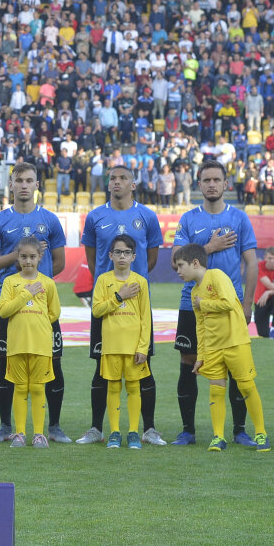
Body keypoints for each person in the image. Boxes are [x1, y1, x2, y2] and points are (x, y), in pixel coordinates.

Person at [170, 161, 258, 447]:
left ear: (225, 184)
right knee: (188, 362)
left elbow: (251, 262)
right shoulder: (187, 219)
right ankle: (187, 430)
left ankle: (240, 431)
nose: (211, 184)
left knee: (234, 365)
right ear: (198, 184)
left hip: (228, 307)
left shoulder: (240, 218)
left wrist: (247, 304)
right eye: (206, 179)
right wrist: (208, 248)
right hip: (192, 304)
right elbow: (175, 260)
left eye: (216, 179)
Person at [79, 164, 166, 446]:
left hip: (136, 305)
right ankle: (97, 428)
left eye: (123, 178)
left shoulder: (147, 216)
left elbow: (151, 259)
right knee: (100, 367)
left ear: (133, 184)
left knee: (143, 364)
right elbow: (94, 261)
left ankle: (148, 428)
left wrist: (132, 285)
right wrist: (112, 287)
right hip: (106, 304)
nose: (117, 182)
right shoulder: (95, 216)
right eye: (113, 178)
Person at [0, 163, 69, 444]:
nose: (23, 185)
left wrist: (39, 285)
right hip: (10, 302)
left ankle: (53, 426)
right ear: (11, 185)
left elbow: (59, 262)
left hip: (40, 308)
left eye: (29, 180)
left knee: (53, 363)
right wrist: (19, 255)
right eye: (18, 180)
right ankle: (6, 426)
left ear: (36, 186)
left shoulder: (51, 220)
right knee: (4, 364)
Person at [173, 243, 270, 452]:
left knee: (246, 387)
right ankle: (218, 437)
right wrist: (201, 355)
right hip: (214, 348)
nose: (178, 271)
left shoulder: (216, 276)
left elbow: (229, 303)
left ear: (195, 263)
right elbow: (200, 326)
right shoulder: (194, 292)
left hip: (235, 342)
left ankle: (261, 434)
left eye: (180, 265)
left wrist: (204, 304)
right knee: (216, 390)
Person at [0, 237, 61, 449]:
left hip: (40, 345)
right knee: (20, 388)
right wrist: (26, 294)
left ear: (40, 257)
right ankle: (20, 433)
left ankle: (39, 434)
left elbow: (53, 313)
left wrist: (37, 324)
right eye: (23, 256)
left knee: (38, 388)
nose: (28, 261)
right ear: (17, 257)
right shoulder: (10, 282)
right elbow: (4, 310)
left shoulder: (48, 283)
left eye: (32, 256)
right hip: (16, 345)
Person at [90, 235, 152, 450]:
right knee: (113, 388)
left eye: (126, 252)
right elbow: (96, 310)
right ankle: (115, 432)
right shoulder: (103, 280)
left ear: (133, 256)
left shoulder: (141, 282)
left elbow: (146, 318)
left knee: (134, 388)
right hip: (112, 346)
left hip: (134, 347)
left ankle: (133, 432)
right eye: (118, 252)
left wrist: (143, 347)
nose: (122, 256)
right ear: (110, 255)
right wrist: (119, 296)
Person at [253, 247, 274, 339]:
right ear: (265, 258)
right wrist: (271, 290)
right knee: (263, 334)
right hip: (261, 301)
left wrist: (269, 293)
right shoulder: (259, 266)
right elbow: (269, 284)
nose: (272, 261)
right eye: (270, 258)